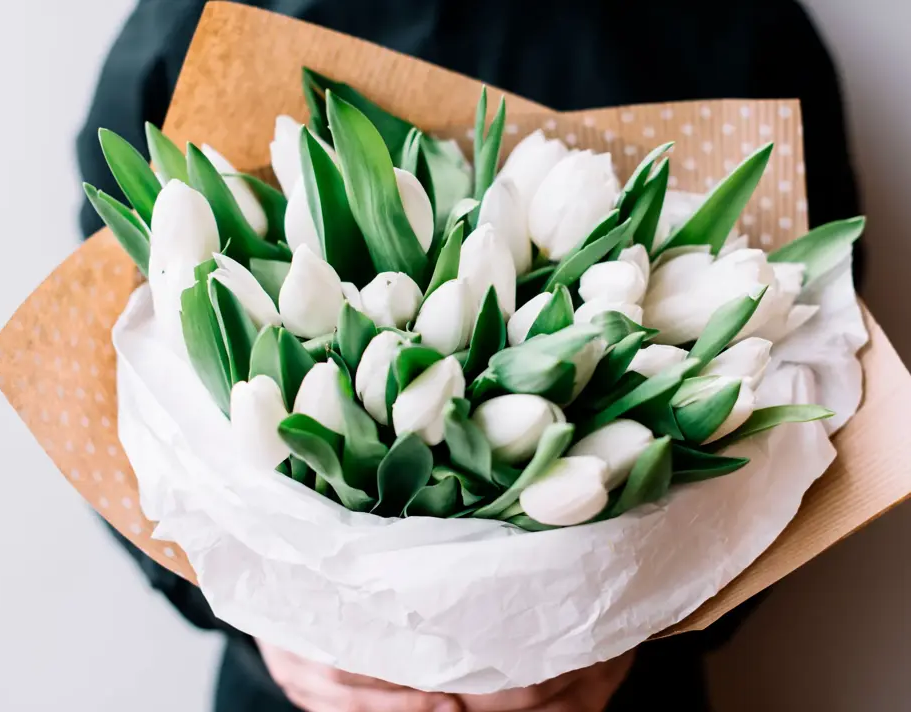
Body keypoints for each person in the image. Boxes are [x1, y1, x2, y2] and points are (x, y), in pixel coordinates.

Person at [78, 1, 861, 710]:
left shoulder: (742, 27)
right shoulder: (196, 22)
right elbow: (104, 383)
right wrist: (274, 638)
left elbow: (819, 378)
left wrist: (641, 628)